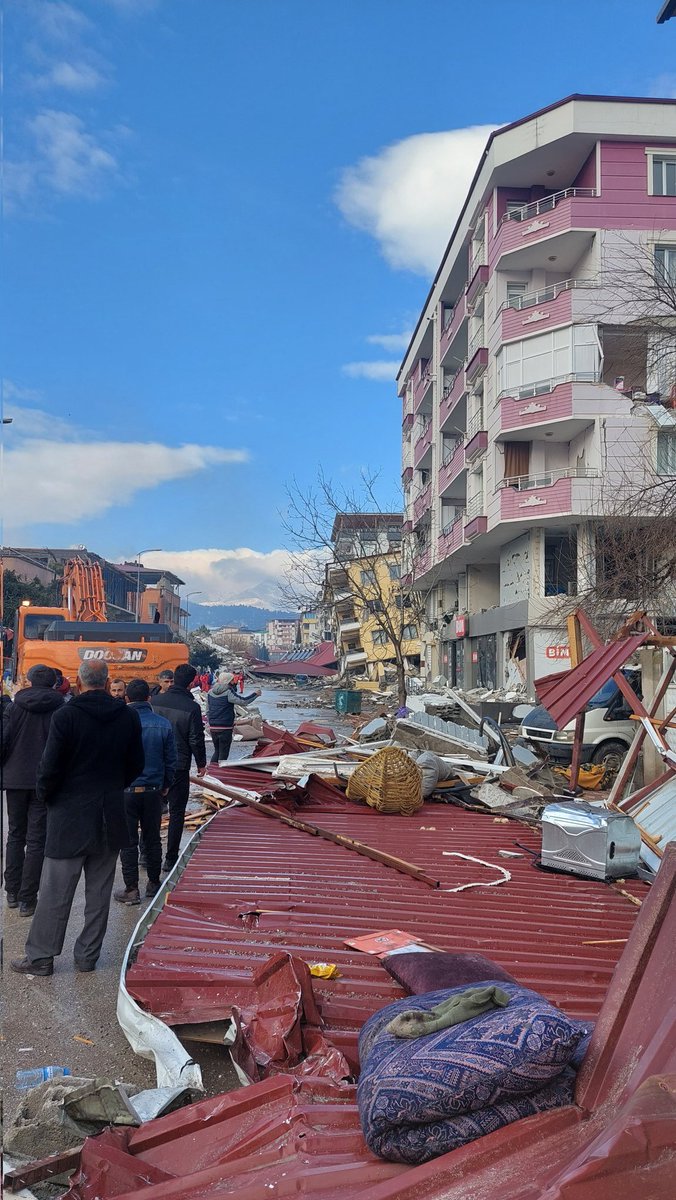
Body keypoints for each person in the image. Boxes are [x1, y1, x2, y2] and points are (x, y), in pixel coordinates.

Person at [10, 659, 144, 977]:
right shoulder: (127, 716)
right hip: (110, 812)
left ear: (79, 682)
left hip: (69, 813)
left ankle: (42, 956)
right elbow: (137, 763)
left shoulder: (67, 715)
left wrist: (49, 796)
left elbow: (50, 766)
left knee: (56, 890)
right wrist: (113, 787)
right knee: (99, 893)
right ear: (107, 680)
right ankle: (87, 956)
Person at [2, 664, 64, 916]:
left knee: (15, 834)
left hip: (15, 779)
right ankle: (29, 898)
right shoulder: (61, 708)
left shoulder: (13, 707)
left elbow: (3, 741)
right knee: (37, 839)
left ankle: (12, 892)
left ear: (28, 681)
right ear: (53, 684)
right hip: (45, 781)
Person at [114, 678, 176, 905]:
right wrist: (166, 785)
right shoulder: (162, 724)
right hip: (153, 790)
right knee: (152, 838)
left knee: (128, 841)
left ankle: (131, 889)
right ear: (149, 698)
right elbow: (171, 759)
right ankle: (153, 883)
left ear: (127, 697)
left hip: (126, 790)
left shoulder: (118, 723)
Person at [150, 662, 206, 873]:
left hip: (154, 763)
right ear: (192, 682)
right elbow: (195, 738)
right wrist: (201, 763)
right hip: (179, 766)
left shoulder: (154, 701)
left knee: (152, 811)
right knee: (177, 812)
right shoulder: (191, 707)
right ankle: (170, 858)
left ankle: (146, 855)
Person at [207, 671, 261, 765]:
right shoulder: (228, 692)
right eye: (232, 680)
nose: (233, 682)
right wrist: (255, 694)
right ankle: (219, 773)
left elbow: (207, 710)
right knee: (223, 753)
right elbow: (243, 701)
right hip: (225, 728)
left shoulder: (210, 692)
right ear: (227, 681)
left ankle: (211, 770)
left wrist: (212, 721)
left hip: (213, 728)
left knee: (217, 751)